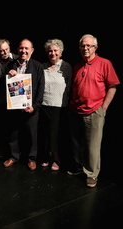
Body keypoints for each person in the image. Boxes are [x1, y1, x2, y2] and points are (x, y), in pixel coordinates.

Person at [68, 34, 120, 188]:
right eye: (83, 46)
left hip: (94, 111)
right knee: (77, 144)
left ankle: (91, 174)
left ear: (95, 48)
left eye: (89, 46)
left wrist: (103, 108)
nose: (85, 48)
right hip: (75, 110)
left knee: (92, 146)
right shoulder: (76, 66)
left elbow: (113, 86)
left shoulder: (104, 63)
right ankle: (79, 169)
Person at [3, 39, 45, 170]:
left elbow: (40, 88)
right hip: (14, 106)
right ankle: (13, 156)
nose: (24, 51)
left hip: (31, 107)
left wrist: (35, 106)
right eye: (21, 48)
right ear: (18, 50)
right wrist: (8, 75)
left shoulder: (37, 66)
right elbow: (3, 84)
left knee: (31, 135)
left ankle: (31, 158)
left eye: (27, 48)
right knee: (13, 133)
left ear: (32, 51)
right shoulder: (11, 64)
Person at [38, 39, 72, 171]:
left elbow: (70, 87)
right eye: (50, 51)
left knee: (55, 135)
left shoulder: (66, 67)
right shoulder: (42, 67)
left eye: (55, 51)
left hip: (59, 106)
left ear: (61, 52)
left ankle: (56, 158)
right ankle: (45, 156)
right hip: (44, 105)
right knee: (44, 133)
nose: (53, 53)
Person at [0, 39, 19, 158]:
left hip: (16, 99)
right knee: (1, 127)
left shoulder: (17, 60)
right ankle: (1, 150)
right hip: (1, 99)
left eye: (6, 49)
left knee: (14, 128)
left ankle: (14, 153)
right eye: (1, 50)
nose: (5, 52)